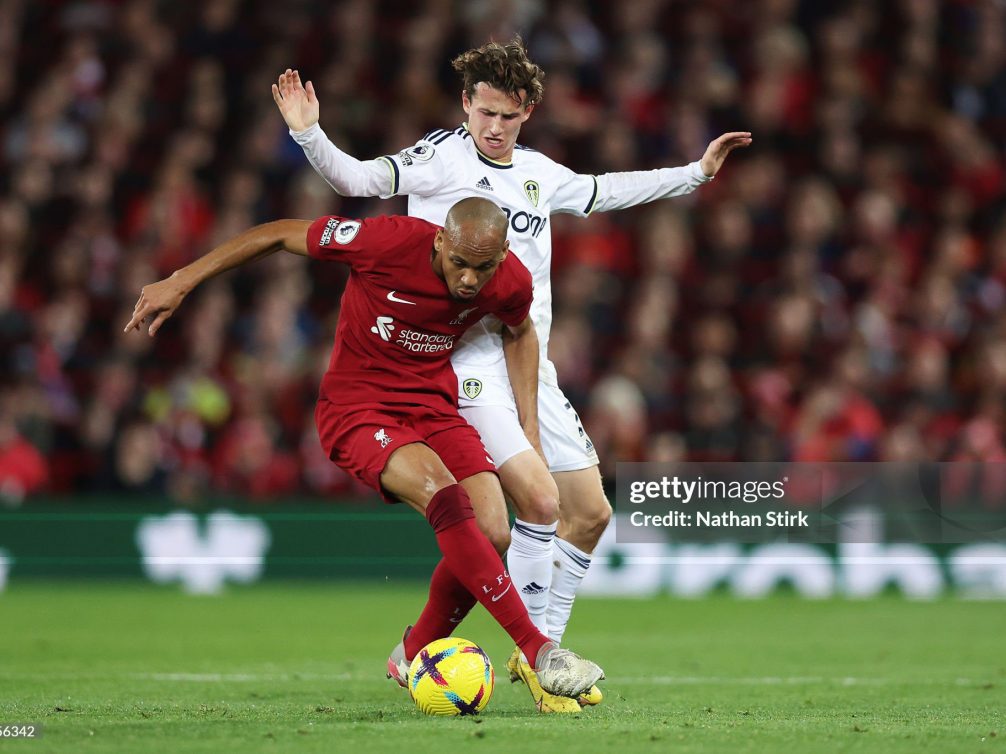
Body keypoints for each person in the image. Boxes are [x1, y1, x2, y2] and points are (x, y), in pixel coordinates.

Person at [272, 36, 751, 712]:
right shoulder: (439, 158)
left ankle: (528, 653)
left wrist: (695, 173)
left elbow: (605, 191)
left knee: (589, 513)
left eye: (507, 115)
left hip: (531, 361)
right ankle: (537, 656)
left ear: (527, 111)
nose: (493, 127)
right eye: (483, 112)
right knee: (539, 502)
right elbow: (357, 181)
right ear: (466, 105)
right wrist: (309, 135)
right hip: (464, 360)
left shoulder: (539, 172)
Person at [124, 197, 604, 702]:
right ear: (441, 240)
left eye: (482, 268)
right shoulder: (387, 242)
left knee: (493, 532)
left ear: (503, 255)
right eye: (459, 262)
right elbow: (277, 234)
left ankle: (413, 650)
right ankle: (538, 649)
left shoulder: (510, 281)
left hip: (434, 406)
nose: (468, 280)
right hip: (360, 408)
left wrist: (529, 427)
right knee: (444, 496)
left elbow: (520, 328)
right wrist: (181, 279)